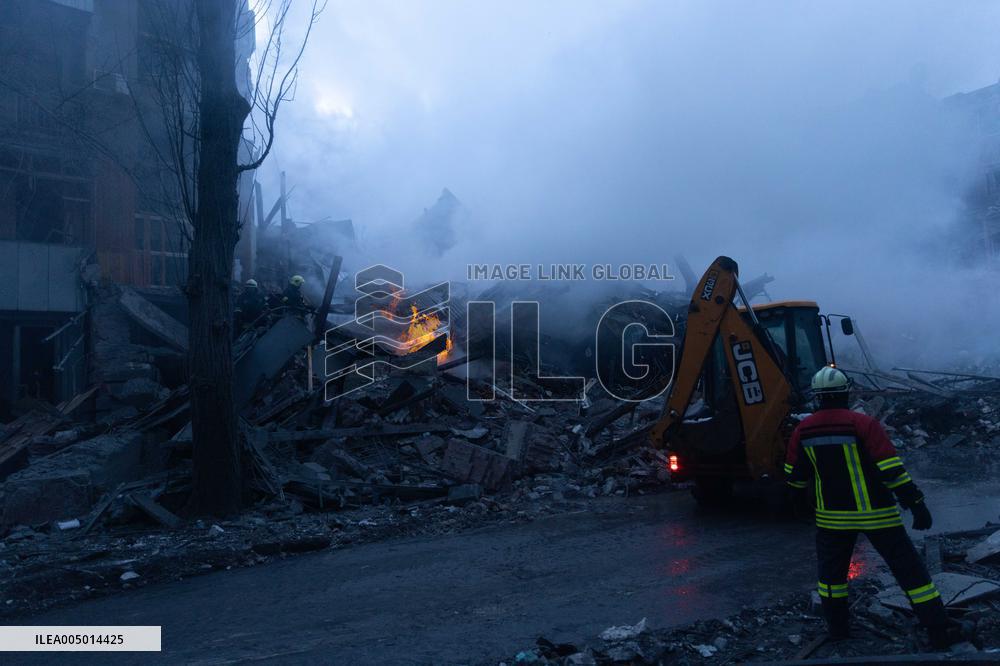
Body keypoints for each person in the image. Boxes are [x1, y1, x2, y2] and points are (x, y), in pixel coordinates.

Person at [785, 366, 964, 650]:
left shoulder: (803, 430)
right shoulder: (863, 424)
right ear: (846, 393)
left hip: (832, 521)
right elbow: (892, 471)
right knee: (911, 575)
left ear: (818, 398)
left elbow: (794, 476)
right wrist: (916, 504)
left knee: (831, 579)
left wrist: (798, 507)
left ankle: (838, 630)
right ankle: (938, 629)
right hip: (879, 516)